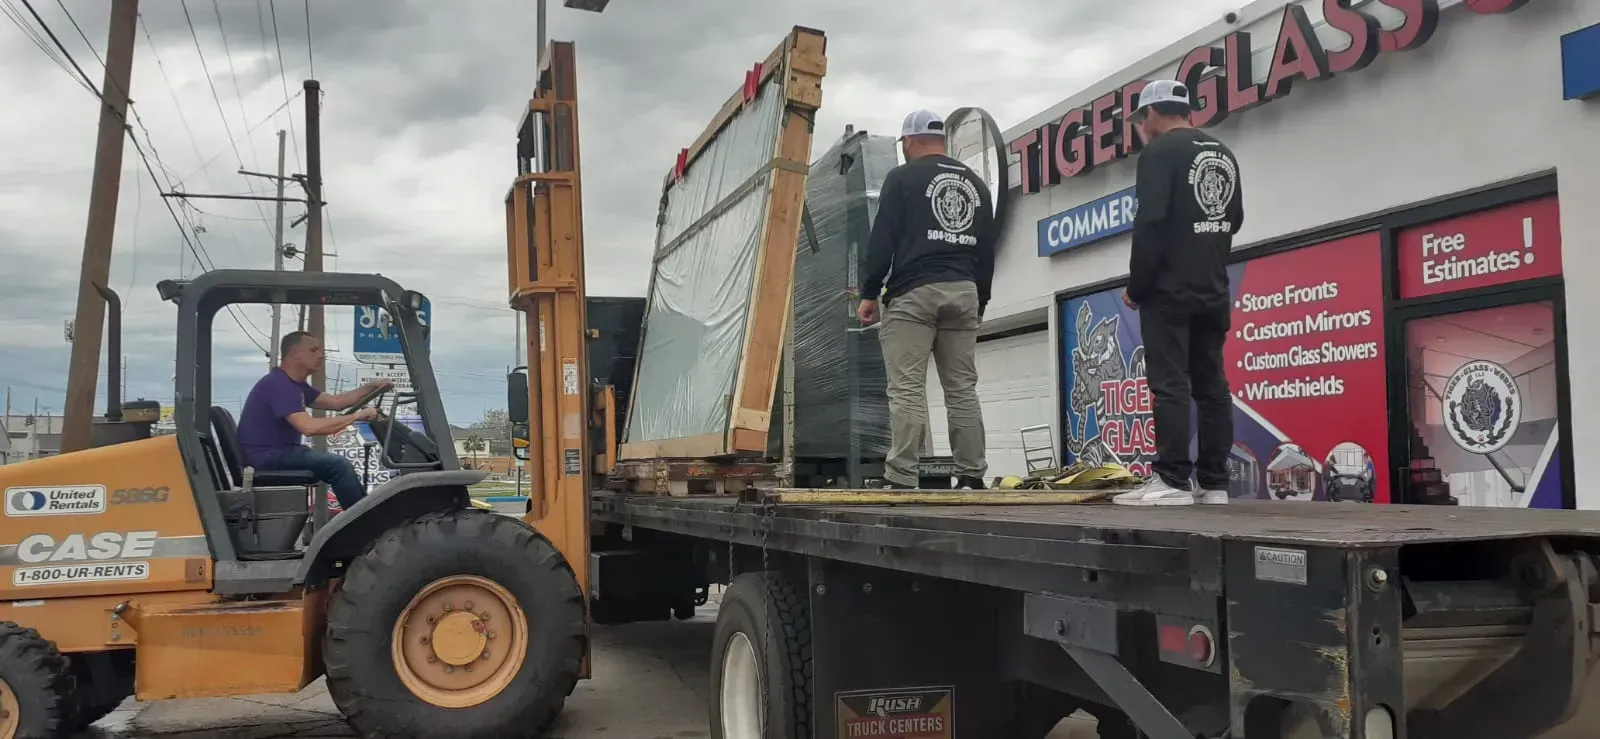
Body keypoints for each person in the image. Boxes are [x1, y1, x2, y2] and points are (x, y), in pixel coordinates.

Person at [1112, 79, 1244, 507]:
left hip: (1169, 289)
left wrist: (1138, 287)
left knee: (1170, 383)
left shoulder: (1158, 153)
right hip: (1212, 285)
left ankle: (1171, 480)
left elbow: (1149, 224)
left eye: (1139, 120)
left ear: (1150, 115)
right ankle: (1214, 483)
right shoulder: (1221, 153)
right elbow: (1234, 218)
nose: (1140, 129)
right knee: (1212, 385)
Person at [857, 109, 997, 490]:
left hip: (915, 293)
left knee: (907, 389)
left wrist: (869, 292)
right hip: (964, 291)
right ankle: (971, 476)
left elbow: (882, 240)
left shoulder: (902, 178)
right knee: (962, 390)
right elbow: (987, 250)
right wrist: (979, 300)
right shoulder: (977, 185)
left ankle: (902, 477)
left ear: (909, 141)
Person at [236, 331, 393, 509]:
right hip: (265, 458)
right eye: (314, 350)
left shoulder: (294, 385)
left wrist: (371, 387)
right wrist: (357, 416)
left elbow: (336, 402)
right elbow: (308, 427)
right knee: (338, 466)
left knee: (335, 465)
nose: (321, 355)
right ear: (295, 353)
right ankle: (364, 524)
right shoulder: (279, 385)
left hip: (278, 453)